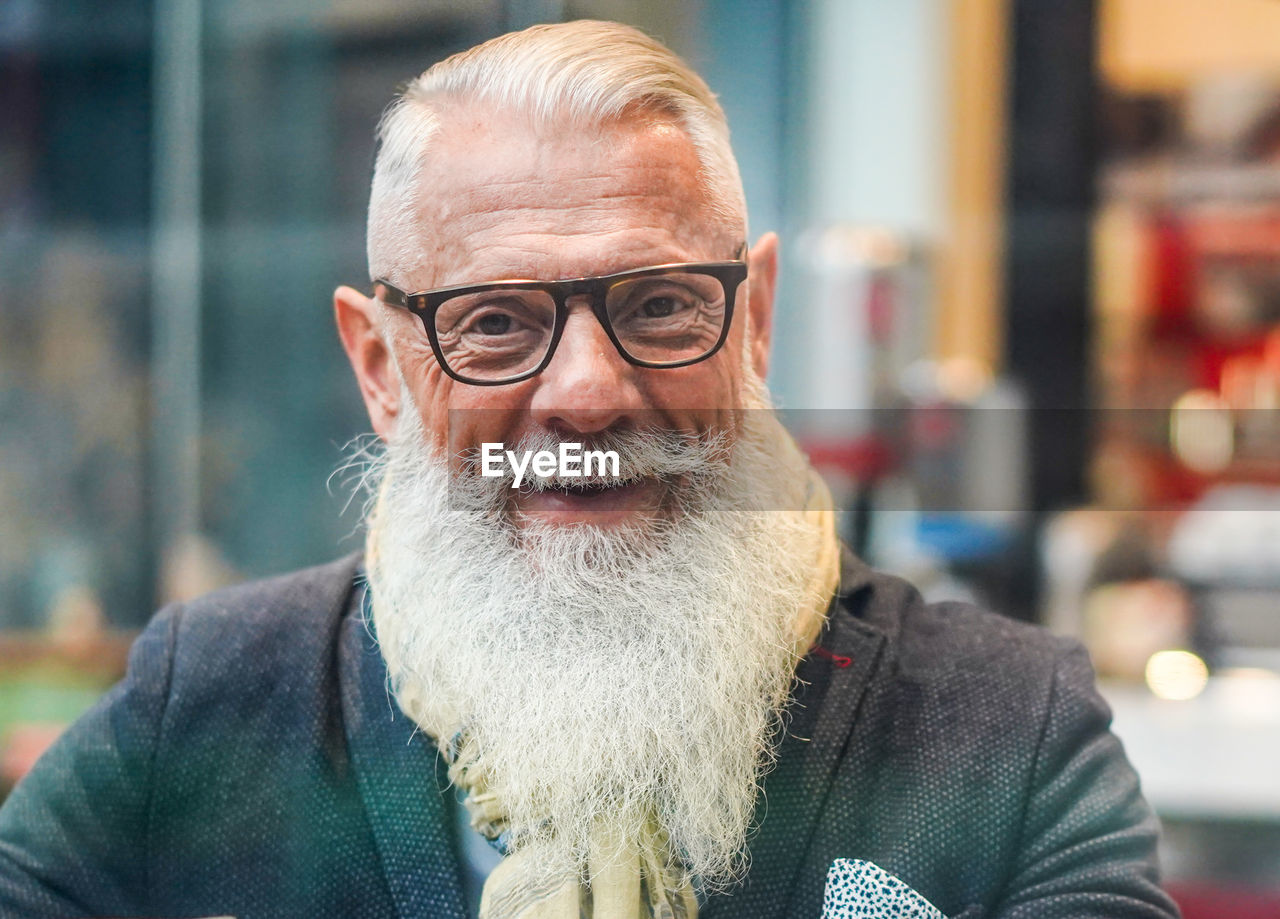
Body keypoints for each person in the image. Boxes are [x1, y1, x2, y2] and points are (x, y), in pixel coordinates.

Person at [0, 20, 1179, 919]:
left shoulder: (1007, 731)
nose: (586, 391)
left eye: (659, 305)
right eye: (497, 321)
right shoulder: (204, 695)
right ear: (379, 362)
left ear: (755, 318)